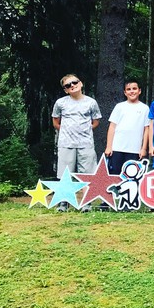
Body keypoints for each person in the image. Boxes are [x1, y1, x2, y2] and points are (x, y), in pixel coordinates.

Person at [51, 73, 101, 210]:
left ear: (81, 83)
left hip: (86, 144)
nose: (72, 86)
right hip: (66, 143)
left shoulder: (91, 102)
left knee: (87, 173)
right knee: (65, 173)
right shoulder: (60, 103)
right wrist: (67, 131)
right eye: (68, 85)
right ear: (66, 90)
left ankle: (86, 203)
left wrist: (84, 130)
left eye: (74, 82)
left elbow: (96, 121)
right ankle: (63, 203)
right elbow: (56, 121)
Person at [104, 79, 149, 175]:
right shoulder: (119, 107)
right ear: (125, 92)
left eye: (134, 88)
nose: (132, 91)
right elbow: (112, 127)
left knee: (132, 176)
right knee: (115, 174)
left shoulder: (145, 108)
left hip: (134, 150)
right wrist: (109, 146)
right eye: (128, 89)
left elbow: (146, 130)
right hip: (117, 148)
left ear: (139, 91)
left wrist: (143, 148)